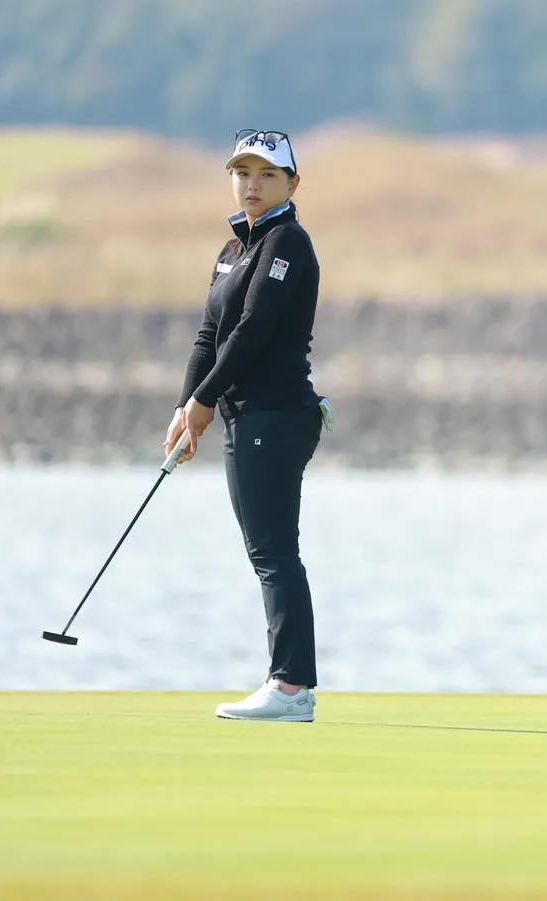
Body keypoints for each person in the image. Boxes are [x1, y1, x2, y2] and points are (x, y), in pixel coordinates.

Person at [166, 128, 330, 722]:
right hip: (248, 415)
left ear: (292, 183)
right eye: (242, 173)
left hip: (276, 413)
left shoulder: (287, 242)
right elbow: (209, 335)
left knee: (273, 552)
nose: (252, 185)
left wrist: (205, 402)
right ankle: (289, 685)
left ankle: (290, 688)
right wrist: (185, 407)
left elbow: (253, 331)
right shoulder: (233, 250)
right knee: (268, 551)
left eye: (266, 174)